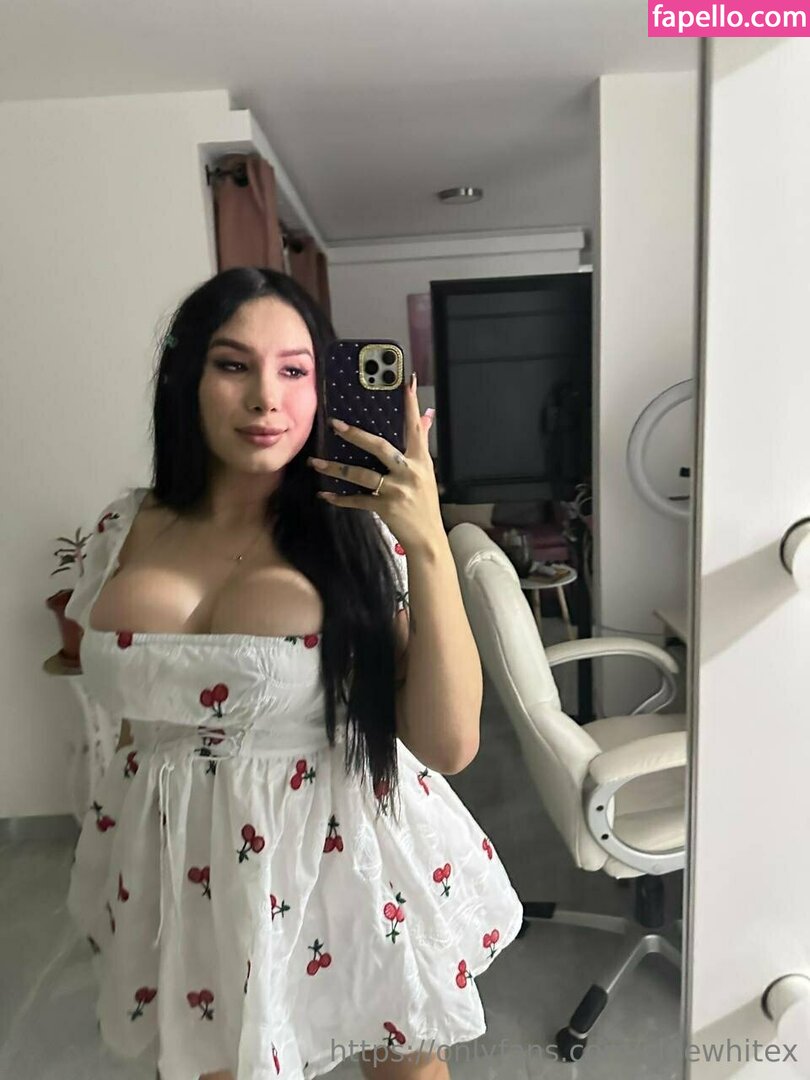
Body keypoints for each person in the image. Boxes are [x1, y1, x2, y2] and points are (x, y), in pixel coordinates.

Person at [64, 267, 524, 1080]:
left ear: (323, 389)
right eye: (232, 365)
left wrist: (425, 538)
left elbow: (449, 743)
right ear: (184, 376)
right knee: (215, 1059)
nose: (264, 399)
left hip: (344, 847)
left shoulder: (360, 533)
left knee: (403, 1065)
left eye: (295, 370)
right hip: (181, 857)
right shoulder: (121, 527)